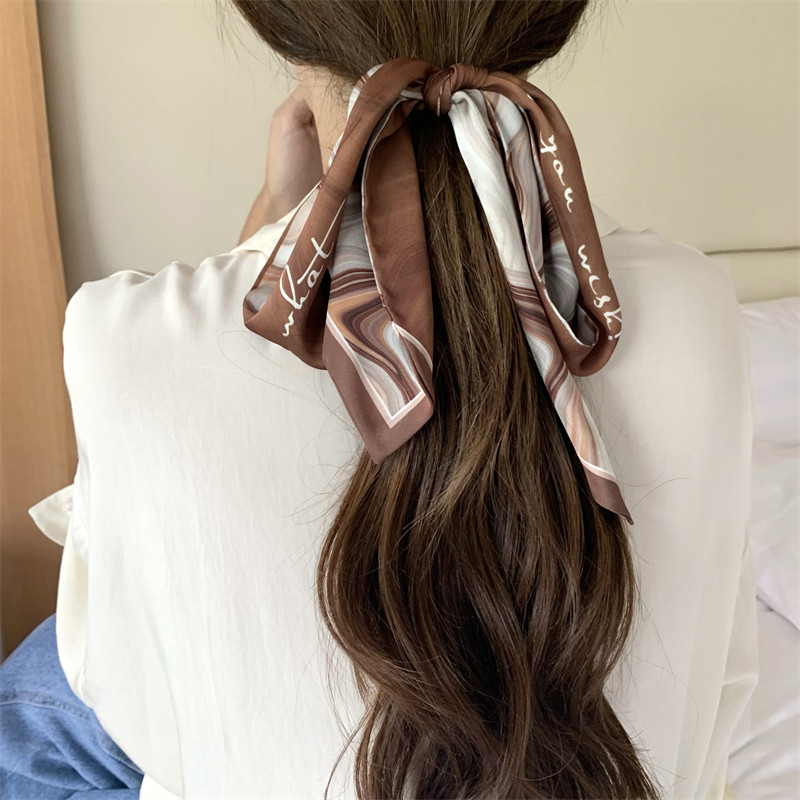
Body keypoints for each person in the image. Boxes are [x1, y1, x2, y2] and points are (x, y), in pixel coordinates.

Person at [0, 1, 757, 798]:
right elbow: (725, 696)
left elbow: (130, 692)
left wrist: (274, 223)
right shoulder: (696, 308)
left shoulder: (124, 340)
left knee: (39, 694)